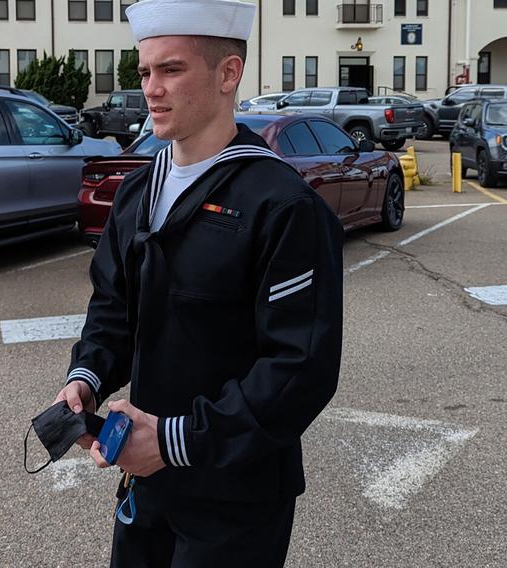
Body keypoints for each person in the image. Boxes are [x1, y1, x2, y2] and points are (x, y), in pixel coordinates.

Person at [52, 0, 344, 566]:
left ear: (227, 74)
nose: (151, 89)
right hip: (146, 485)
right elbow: (113, 310)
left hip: (236, 495)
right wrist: (86, 378)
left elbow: (299, 369)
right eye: (144, 72)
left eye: (172, 69)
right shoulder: (139, 195)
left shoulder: (282, 205)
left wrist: (172, 440)